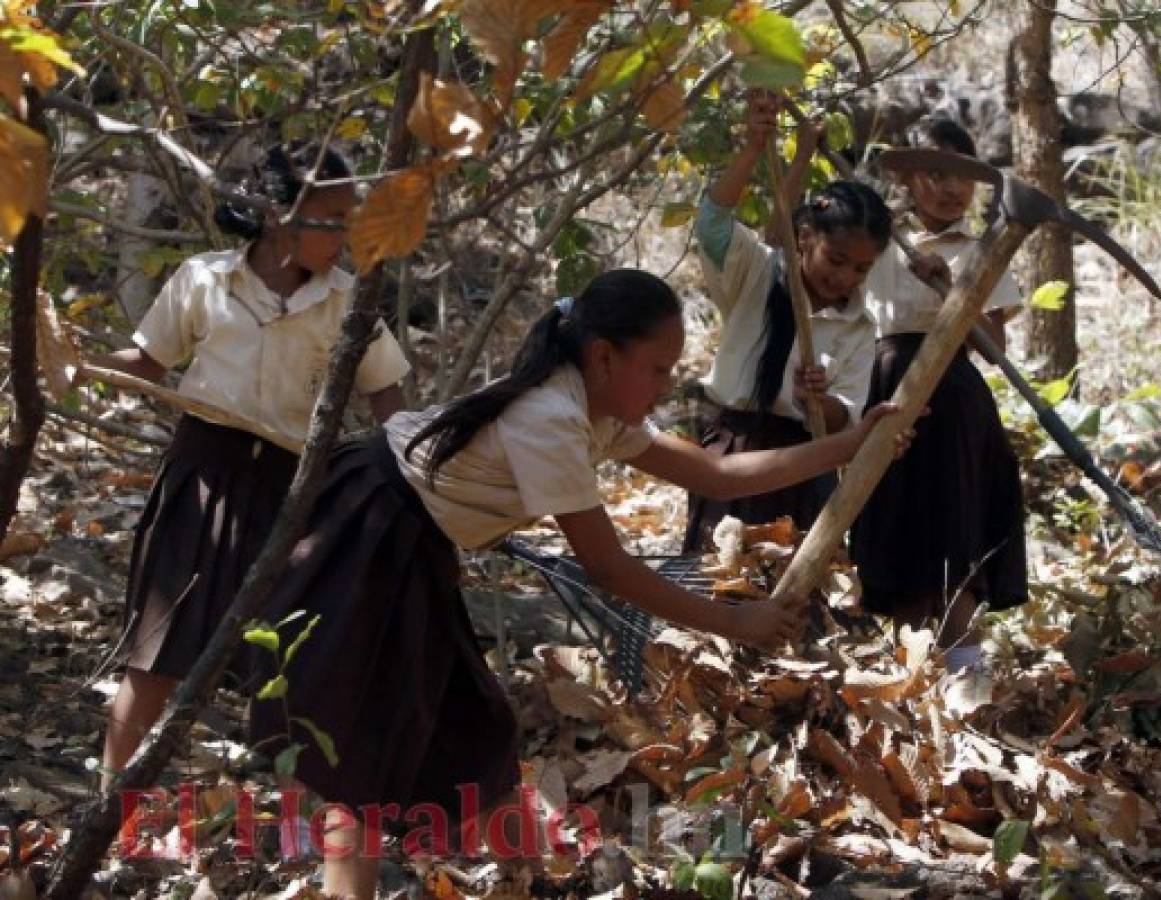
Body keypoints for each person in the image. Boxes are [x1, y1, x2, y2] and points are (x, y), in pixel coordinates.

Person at [248, 269, 912, 898]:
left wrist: (848, 444)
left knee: (475, 727)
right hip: (369, 528)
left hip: (412, 540)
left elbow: (717, 475)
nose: (664, 384)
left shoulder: (596, 408)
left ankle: (530, 877)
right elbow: (608, 566)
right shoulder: (549, 417)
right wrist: (736, 621)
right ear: (602, 356)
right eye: (655, 369)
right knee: (365, 734)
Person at [95, 142, 410, 789]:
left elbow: (387, 393)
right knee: (158, 656)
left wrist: (405, 472)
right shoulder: (204, 280)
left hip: (293, 494)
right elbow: (147, 362)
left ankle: (298, 806)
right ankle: (110, 799)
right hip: (203, 478)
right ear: (276, 215)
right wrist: (69, 359)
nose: (341, 237)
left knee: (297, 657)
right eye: (328, 219)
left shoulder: (349, 300)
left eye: (347, 221)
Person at [851, 118, 1028, 670]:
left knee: (957, 534)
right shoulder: (876, 245)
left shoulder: (981, 252)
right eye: (935, 173)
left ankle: (967, 684)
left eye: (961, 176)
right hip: (888, 396)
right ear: (907, 181)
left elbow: (993, 344)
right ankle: (909, 685)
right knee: (903, 534)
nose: (951, 189)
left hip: (953, 403)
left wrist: (952, 292)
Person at [684, 92, 891, 551]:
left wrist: (818, 402)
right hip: (732, 453)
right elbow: (714, 224)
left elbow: (845, 415)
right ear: (805, 238)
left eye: (861, 269)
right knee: (719, 572)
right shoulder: (757, 274)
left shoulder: (860, 326)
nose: (845, 277)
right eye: (836, 260)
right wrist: (754, 149)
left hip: (803, 464)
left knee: (787, 586)